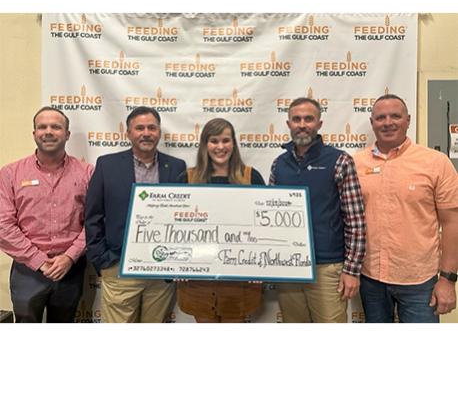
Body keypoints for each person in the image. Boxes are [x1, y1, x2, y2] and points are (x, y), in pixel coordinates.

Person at [353, 94, 458, 323]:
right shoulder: (355, 164)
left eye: (395, 116)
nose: (388, 122)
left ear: (408, 120)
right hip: (370, 278)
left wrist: (447, 279)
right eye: (380, 117)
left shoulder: (436, 163)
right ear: (372, 123)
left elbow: (452, 223)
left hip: (419, 281)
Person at [85, 106, 186, 323]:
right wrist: (103, 261)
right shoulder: (107, 165)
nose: (146, 133)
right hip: (119, 267)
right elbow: (93, 216)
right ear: (128, 133)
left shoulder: (177, 167)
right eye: (139, 128)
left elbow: (182, 217)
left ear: (159, 132)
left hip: (161, 271)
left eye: (152, 128)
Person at [269, 97, 366, 322]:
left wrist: (352, 270)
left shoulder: (340, 161)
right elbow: (271, 219)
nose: (302, 124)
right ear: (289, 124)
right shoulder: (278, 164)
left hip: (327, 268)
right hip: (289, 267)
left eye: (309, 119)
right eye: (296, 119)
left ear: (319, 124)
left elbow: (356, 221)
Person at [0, 107, 93, 322]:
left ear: (67, 134)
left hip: (70, 269)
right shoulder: (10, 174)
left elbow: (95, 222)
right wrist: (39, 260)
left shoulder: (88, 173)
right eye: (42, 127)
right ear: (34, 134)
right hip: (27, 269)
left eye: (56, 127)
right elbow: (3, 225)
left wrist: (69, 257)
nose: (48, 131)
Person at [177, 118, 265, 322]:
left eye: (225, 140)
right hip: (198, 283)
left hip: (240, 282)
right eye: (214, 141)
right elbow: (174, 228)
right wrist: (177, 264)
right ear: (205, 145)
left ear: (233, 143)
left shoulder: (251, 177)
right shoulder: (187, 178)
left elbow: (263, 228)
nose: (220, 147)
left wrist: (262, 266)